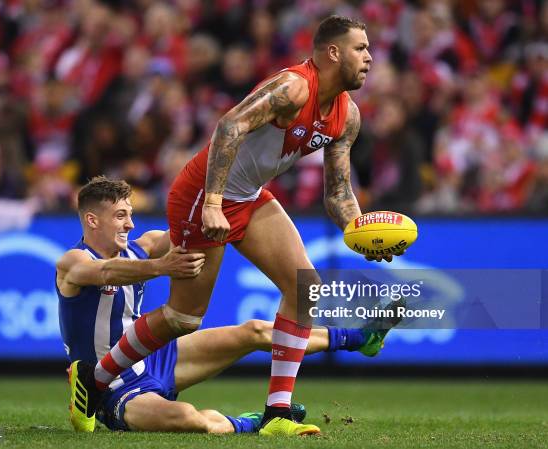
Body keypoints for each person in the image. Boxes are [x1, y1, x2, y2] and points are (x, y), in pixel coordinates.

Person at [72, 16, 402, 436]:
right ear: (333, 52)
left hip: (248, 197)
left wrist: (362, 232)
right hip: (203, 192)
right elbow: (229, 125)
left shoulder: (347, 116)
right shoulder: (293, 87)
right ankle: (94, 382)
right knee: (182, 318)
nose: (370, 57)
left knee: (304, 287)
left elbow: (338, 193)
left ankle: (276, 413)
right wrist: (211, 203)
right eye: (361, 48)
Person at [60, 176, 400, 433]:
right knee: (189, 420)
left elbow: (186, 230)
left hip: (156, 358)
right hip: (111, 388)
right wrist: (161, 268)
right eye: (121, 216)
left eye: (131, 215)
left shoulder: (144, 245)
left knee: (254, 331)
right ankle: (249, 424)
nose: (130, 224)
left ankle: (362, 339)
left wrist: (218, 201)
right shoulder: (72, 261)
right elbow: (103, 271)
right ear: (93, 220)